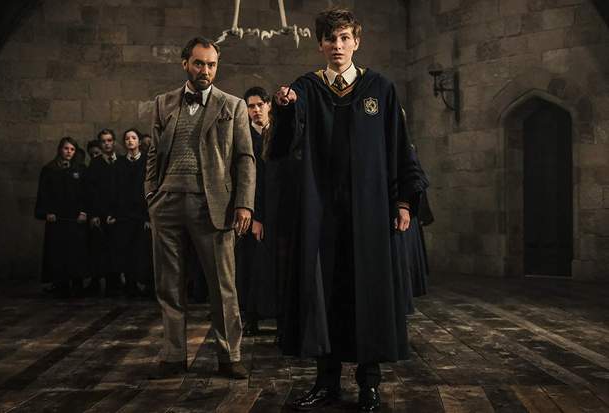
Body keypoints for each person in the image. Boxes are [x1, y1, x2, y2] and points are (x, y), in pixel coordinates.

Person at [272, 8, 428, 411]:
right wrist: (285, 108)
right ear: (320, 44)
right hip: (321, 213)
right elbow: (283, 145)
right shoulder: (306, 88)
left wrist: (404, 200)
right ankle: (326, 382)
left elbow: (398, 146)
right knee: (324, 296)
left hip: (369, 212)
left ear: (357, 42)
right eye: (330, 39)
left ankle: (368, 384)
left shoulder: (381, 88)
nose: (337, 46)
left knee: (367, 294)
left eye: (344, 38)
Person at [145, 36, 256, 379]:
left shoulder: (233, 105)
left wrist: (244, 204)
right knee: (169, 285)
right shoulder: (163, 103)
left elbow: (245, 158)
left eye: (211, 64)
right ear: (185, 64)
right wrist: (151, 195)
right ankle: (173, 356)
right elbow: (153, 154)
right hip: (167, 203)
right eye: (199, 63)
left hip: (214, 206)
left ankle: (229, 356)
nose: (205, 70)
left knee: (223, 286)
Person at [235, 86, 276, 336]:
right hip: (251, 211)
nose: (256, 110)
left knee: (275, 266)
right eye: (251, 106)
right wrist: (254, 214)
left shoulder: (280, 132)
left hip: (277, 209)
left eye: (260, 104)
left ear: (269, 105)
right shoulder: (243, 136)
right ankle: (251, 317)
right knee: (250, 267)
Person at [34, 137, 88, 298]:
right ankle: (61, 285)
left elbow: (86, 193)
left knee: (76, 252)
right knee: (58, 252)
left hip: (75, 219)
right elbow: (43, 193)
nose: (69, 152)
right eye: (66, 148)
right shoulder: (49, 169)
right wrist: (46, 212)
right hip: (57, 219)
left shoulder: (80, 169)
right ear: (60, 149)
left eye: (72, 149)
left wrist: (84, 211)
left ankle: (77, 285)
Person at [113, 128, 154, 298]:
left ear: (139, 141)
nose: (130, 141)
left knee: (143, 252)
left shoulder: (147, 162)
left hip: (142, 216)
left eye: (133, 138)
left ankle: (148, 286)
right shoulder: (119, 163)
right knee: (127, 250)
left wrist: (148, 216)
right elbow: (115, 191)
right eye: (127, 138)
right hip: (125, 216)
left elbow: (151, 189)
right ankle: (130, 285)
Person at [87, 128, 121, 297]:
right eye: (103, 141)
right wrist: (94, 214)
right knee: (102, 250)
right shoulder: (95, 163)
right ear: (100, 144)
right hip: (101, 214)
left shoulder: (121, 162)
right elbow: (91, 191)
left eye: (109, 140)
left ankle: (116, 283)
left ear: (113, 142)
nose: (107, 144)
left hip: (117, 214)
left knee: (117, 249)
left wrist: (116, 214)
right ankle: (105, 284)